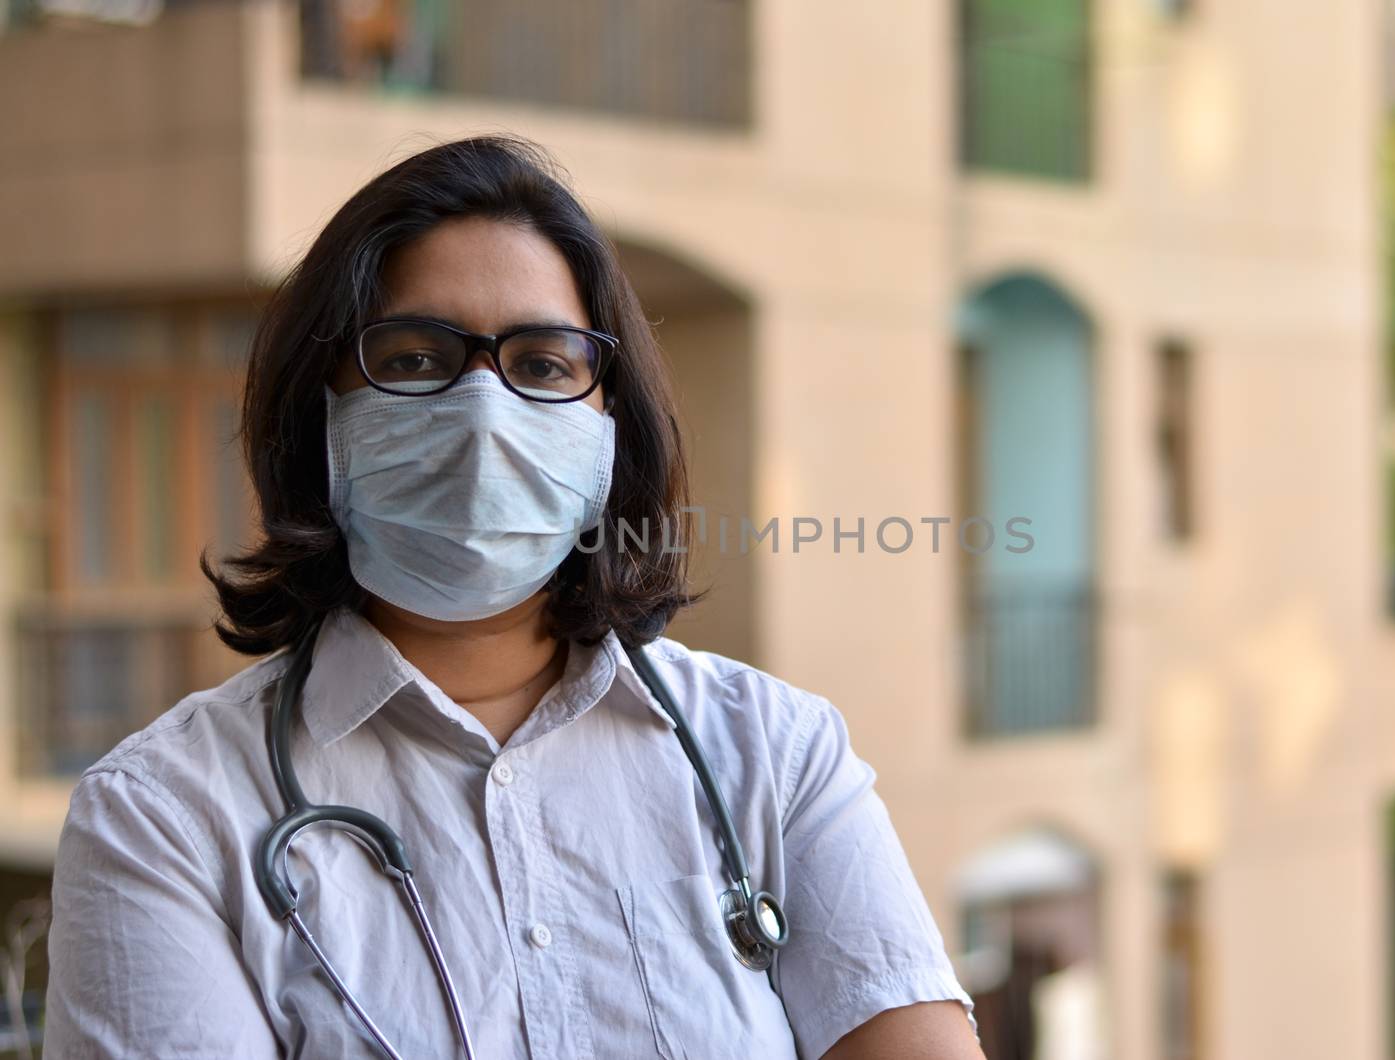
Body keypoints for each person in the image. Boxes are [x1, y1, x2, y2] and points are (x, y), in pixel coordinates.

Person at [41, 134, 982, 1059]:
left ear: (611, 428)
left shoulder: (774, 757)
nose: (484, 415)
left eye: (541, 365)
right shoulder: (163, 817)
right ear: (316, 414)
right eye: (414, 358)